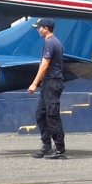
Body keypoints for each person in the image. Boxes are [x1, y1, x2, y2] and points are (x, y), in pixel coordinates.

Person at [27, 17, 65, 159]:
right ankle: (47, 146)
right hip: (48, 83)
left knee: (52, 116)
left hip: (52, 83)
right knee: (40, 114)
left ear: (46, 29)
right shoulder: (50, 42)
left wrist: (34, 83)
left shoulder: (51, 43)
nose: (38, 30)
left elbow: (44, 65)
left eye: (39, 27)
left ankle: (60, 150)